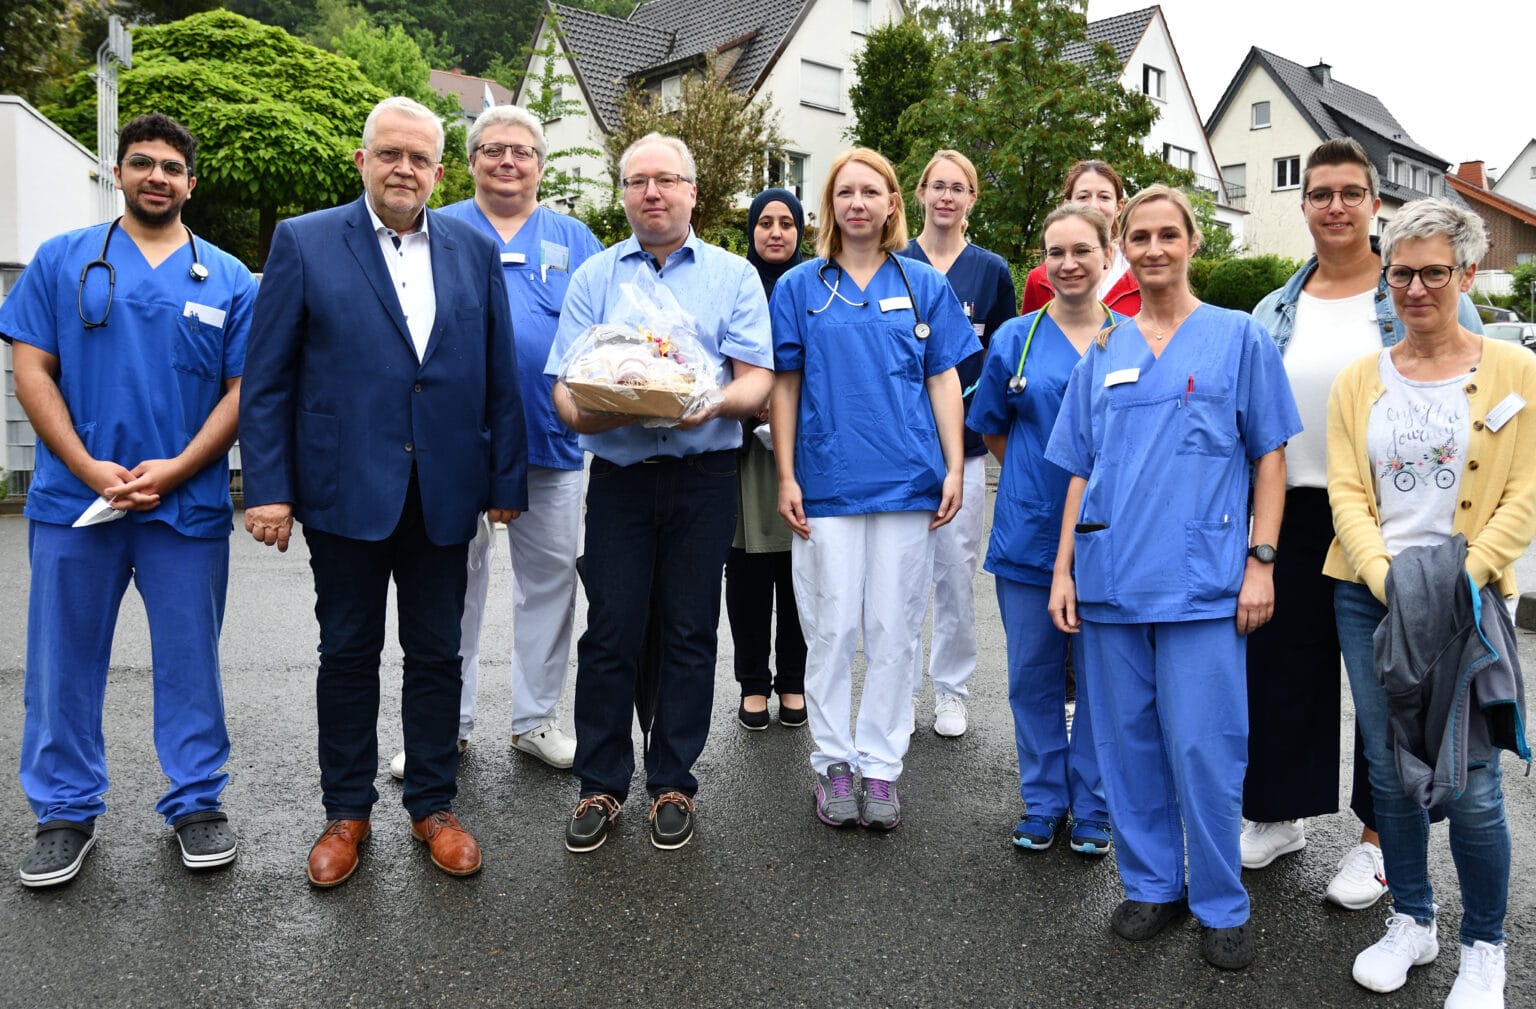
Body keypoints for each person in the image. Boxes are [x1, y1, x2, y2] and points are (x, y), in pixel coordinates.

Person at [240, 96, 528, 887]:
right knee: (348, 653)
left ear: (439, 171)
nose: (404, 169)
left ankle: (433, 804)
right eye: (389, 154)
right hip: (344, 490)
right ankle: (347, 812)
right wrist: (268, 488)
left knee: (439, 653)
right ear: (362, 160)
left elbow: (499, 374)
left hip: (445, 488)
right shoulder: (304, 241)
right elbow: (266, 380)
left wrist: (506, 478)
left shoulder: (471, 250)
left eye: (419, 158)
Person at [1045, 185, 1301, 969]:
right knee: (1126, 746)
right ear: (1125, 246)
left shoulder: (1237, 339)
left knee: (1205, 748)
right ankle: (1154, 885)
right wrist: (1063, 570)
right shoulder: (1106, 352)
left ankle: (1222, 902)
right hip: (1113, 576)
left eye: (1169, 235)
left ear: (1193, 242)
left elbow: (1270, 457)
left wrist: (1262, 561)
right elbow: (1080, 470)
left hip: (1204, 584)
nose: (1154, 249)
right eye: (1141, 237)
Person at [2, 113, 253, 887]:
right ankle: (65, 811)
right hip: (76, 502)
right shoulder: (61, 262)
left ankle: (196, 802)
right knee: (62, 662)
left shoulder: (230, 277)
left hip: (186, 506)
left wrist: (175, 468)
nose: (156, 176)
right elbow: (32, 368)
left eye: (171, 167)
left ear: (190, 183)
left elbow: (245, 389)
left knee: (190, 662)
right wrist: (85, 466)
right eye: (141, 162)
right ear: (118, 172)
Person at [1244, 139, 1485, 904]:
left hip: (1395, 516)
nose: (1336, 206)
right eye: (1320, 193)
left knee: (1389, 685)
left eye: (1351, 192)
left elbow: (1473, 396)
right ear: (1304, 203)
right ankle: (1279, 812)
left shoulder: (1414, 288)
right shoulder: (1273, 309)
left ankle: (1379, 841)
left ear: (1374, 203)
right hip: (1295, 505)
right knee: (1280, 670)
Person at [1327, 198, 1532, 1008]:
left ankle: (1486, 944)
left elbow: (1523, 494)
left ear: (1467, 273)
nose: (1415, 288)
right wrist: (1389, 583)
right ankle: (1413, 918)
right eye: (1401, 272)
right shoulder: (1358, 378)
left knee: (1474, 781)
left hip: (1470, 602)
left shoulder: (1517, 372)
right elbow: (1347, 488)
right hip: (1368, 599)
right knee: (1388, 767)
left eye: (1433, 272)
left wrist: (1457, 582)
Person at [548, 133, 774, 854]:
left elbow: (756, 381)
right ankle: (600, 784)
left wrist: (706, 402)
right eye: (638, 180)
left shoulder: (733, 275)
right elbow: (566, 391)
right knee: (610, 629)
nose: (653, 192)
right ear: (622, 193)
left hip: (703, 477)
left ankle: (673, 778)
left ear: (693, 192)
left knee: (688, 629)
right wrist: (602, 406)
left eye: (667, 180)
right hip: (618, 478)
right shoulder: (594, 276)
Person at [386, 105, 601, 780]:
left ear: (541, 164)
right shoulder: (436, 229)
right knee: (452, 587)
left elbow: (599, 337)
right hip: (454, 448)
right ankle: (446, 725)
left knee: (550, 585)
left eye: (522, 151)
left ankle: (536, 718)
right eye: (493, 149)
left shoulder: (576, 238)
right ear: (470, 160)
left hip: (553, 442)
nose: (508, 161)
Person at [769, 147, 976, 831]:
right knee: (829, 628)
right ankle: (832, 760)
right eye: (845, 192)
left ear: (893, 203)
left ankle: (882, 766)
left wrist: (952, 467)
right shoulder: (801, 287)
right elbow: (787, 384)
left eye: (872, 191)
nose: (858, 202)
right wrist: (787, 474)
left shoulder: (922, 285)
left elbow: (943, 378)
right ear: (829, 205)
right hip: (826, 485)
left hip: (907, 481)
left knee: (892, 629)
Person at [968, 204, 1117, 855]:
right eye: (1055, 251)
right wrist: (1036, 477)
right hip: (1029, 535)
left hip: (1110, 540)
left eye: (1082, 250)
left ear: (1107, 256)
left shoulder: (1134, 339)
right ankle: (1043, 798)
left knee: (1103, 680)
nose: (1068, 263)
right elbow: (992, 423)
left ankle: (1092, 804)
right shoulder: (1015, 339)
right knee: (1031, 673)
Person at [898, 149, 1017, 738]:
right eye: (937, 186)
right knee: (898, 576)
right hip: (898, 448)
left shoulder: (990, 271)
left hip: (963, 449)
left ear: (972, 199)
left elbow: (1000, 362)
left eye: (958, 188)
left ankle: (951, 690)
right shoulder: (894, 263)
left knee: (954, 572)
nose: (946, 196)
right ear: (920, 193)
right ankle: (898, 690)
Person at [728, 188, 809, 731]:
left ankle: (795, 681)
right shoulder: (734, 284)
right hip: (741, 450)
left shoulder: (816, 287)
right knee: (750, 567)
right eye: (765, 222)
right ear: (751, 230)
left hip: (805, 449)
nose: (775, 232)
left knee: (800, 572)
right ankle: (753, 682)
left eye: (786, 222)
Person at [1020, 160, 1140, 316]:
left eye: (1104, 197)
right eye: (1083, 196)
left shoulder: (1141, 275)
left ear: (1118, 207)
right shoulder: (1040, 280)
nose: (1094, 206)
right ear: (1067, 204)